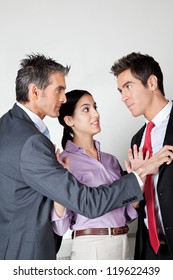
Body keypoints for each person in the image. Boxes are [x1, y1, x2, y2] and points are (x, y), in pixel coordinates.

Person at [0, 53, 172, 260]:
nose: (63, 97)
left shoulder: (10, 128)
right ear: (35, 92)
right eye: (59, 90)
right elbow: (85, 204)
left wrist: (136, 184)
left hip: (127, 244)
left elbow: (129, 210)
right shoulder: (34, 143)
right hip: (61, 251)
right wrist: (139, 174)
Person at [51, 89, 140, 260]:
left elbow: (128, 214)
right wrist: (59, 182)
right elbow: (60, 228)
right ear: (69, 120)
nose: (96, 114)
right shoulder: (64, 162)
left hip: (123, 242)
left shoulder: (111, 161)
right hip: (92, 247)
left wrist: (136, 180)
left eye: (95, 107)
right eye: (86, 109)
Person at [111, 51, 173, 260]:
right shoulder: (136, 141)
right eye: (120, 90)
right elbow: (138, 202)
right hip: (150, 250)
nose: (123, 97)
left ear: (152, 82)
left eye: (128, 86)